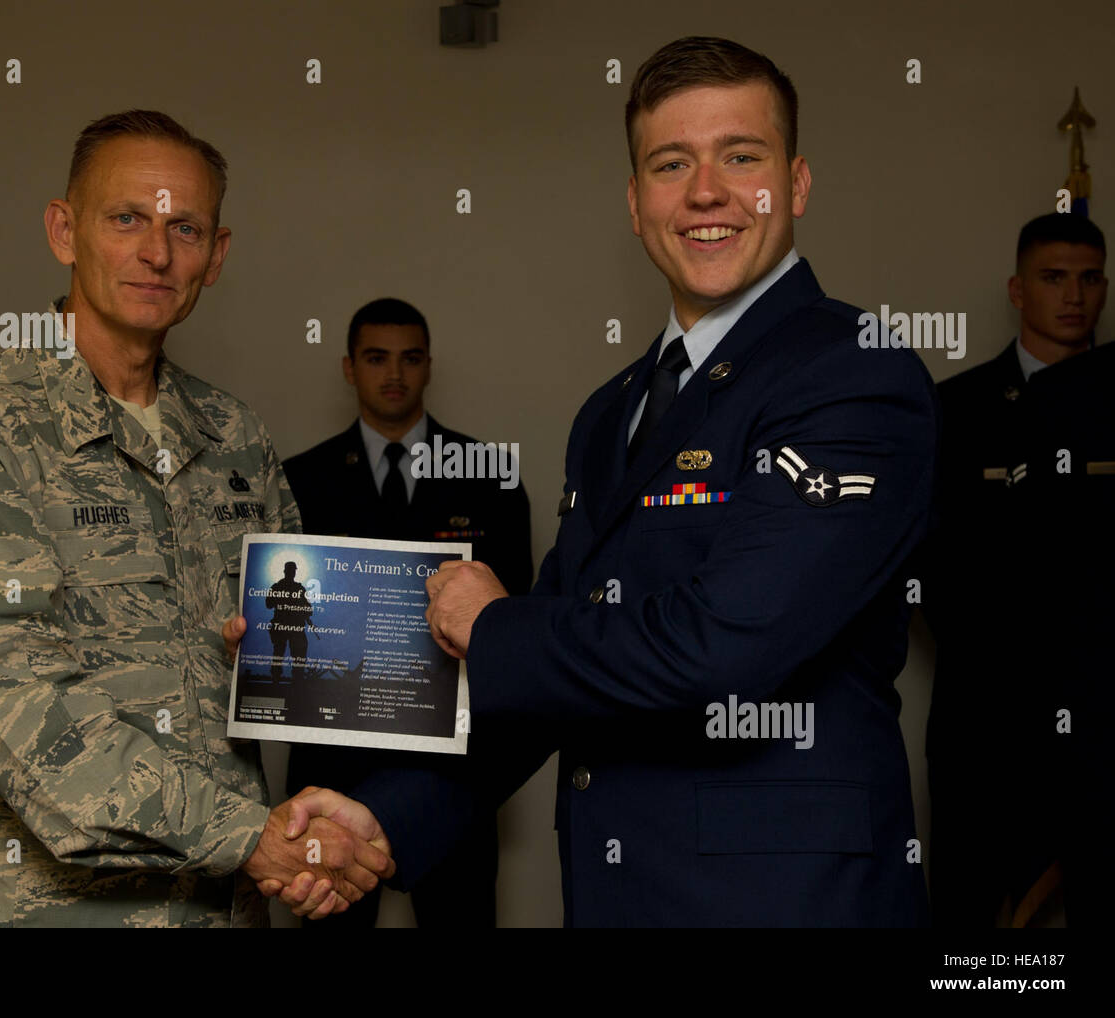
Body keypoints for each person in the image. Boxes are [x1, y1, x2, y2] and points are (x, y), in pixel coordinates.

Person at [264, 36, 938, 926]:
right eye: (671, 163)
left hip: (783, 902)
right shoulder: (611, 410)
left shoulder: (855, 370)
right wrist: (385, 818)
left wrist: (497, 625)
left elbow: (724, 647)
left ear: (798, 183)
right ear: (635, 201)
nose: (706, 191)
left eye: (742, 156)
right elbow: (556, 675)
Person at [0, 110, 392, 927]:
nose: (157, 252)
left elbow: (309, 673)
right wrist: (255, 838)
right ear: (64, 230)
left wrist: (347, 808)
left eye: (184, 227)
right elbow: (15, 706)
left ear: (216, 255)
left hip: (215, 910)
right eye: (127, 219)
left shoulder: (236, 439)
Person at [282, 298, 532, 927]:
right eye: (376, 358)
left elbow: (516, 626)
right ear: (348, 367)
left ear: (429, 367)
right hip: (332, 760)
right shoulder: (296, 481)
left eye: (410, 358)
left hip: (454, 763)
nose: (394, 374)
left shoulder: (491, 478)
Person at [925, 213, 1110, 927]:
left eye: (1090, 278)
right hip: (989, 726)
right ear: (1017, 289)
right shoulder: (956, 409)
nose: (1074, 296)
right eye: (1053, 278)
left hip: (1106, 725)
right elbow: (935, 572)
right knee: (979, 942)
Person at [265, 560, 311, 678]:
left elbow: (307, 608)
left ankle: (295, 678)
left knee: (297, 653)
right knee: (279, 654)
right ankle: (278, 679)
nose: (292, 573)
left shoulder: (296, 588)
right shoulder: (278, 587)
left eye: (293, 571)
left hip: (293, 626)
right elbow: (269, 604)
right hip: (283, 625)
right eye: (291, 571)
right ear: (286, 571)